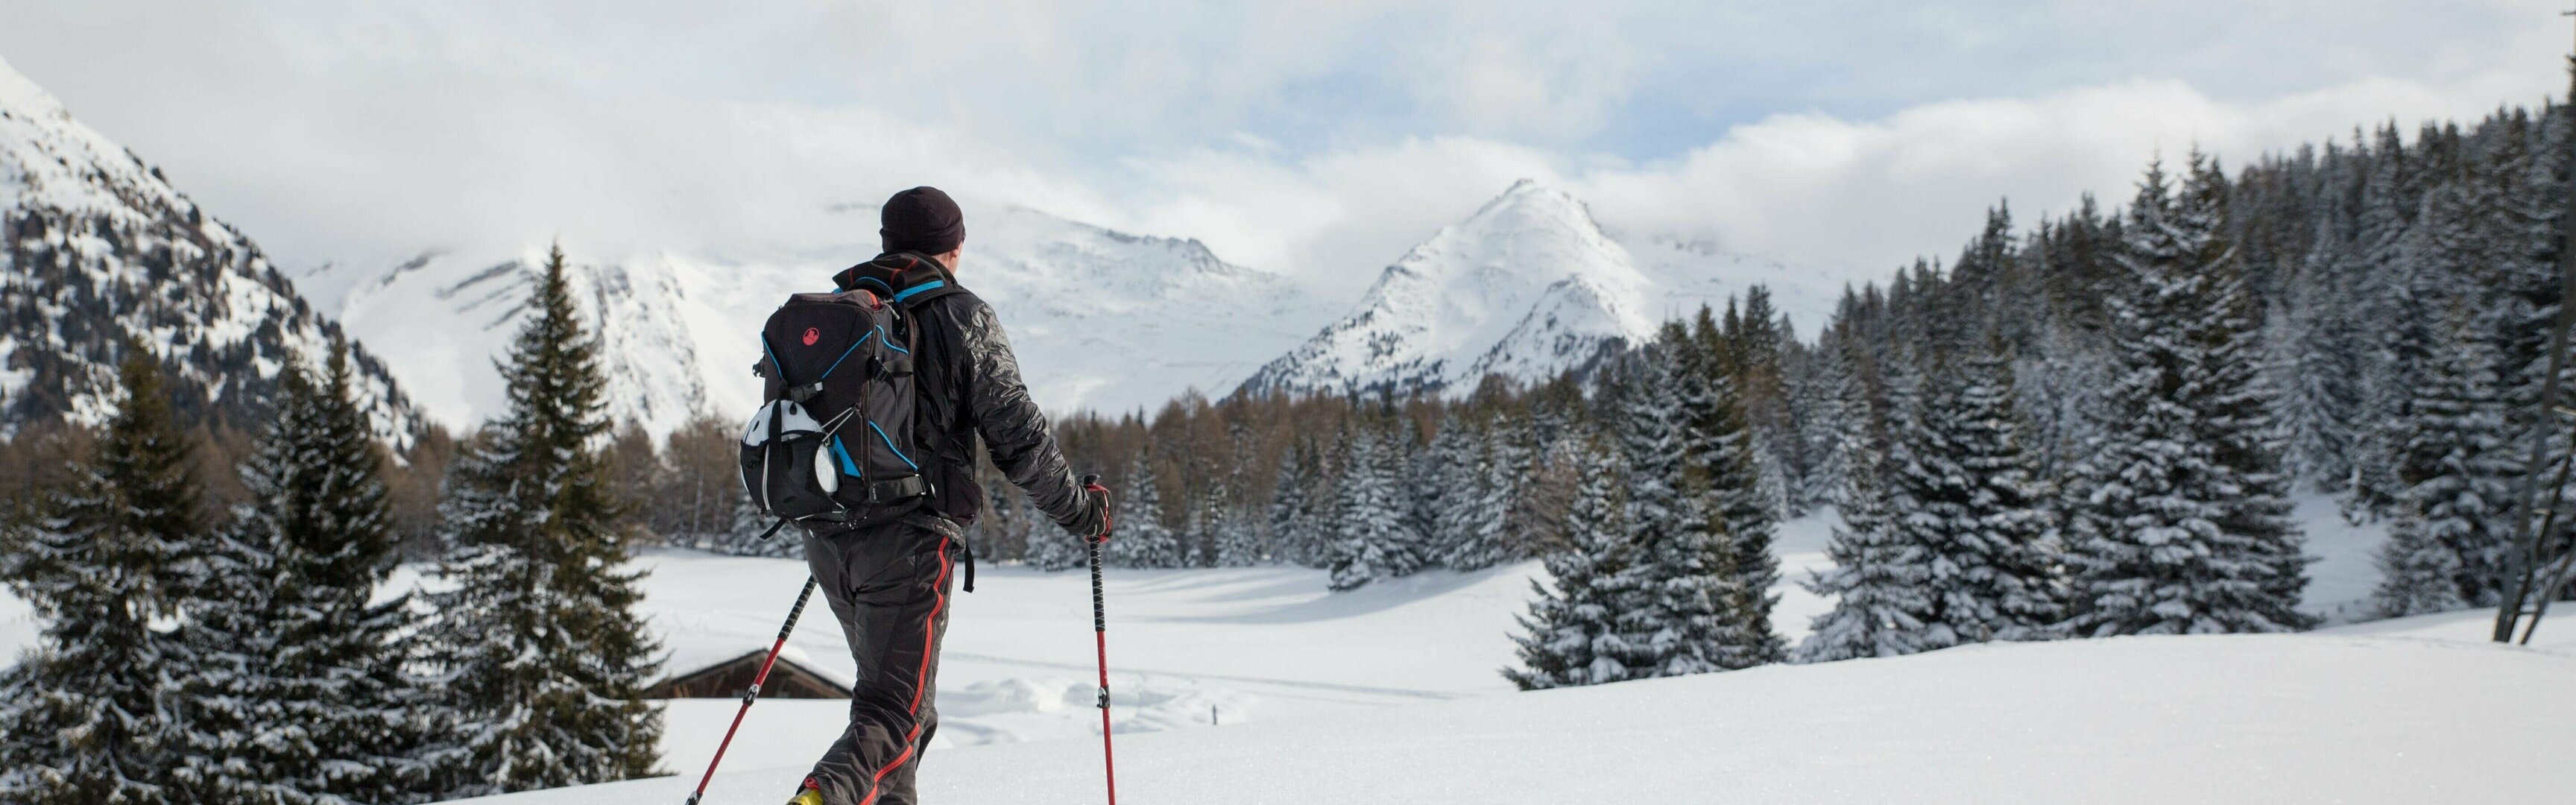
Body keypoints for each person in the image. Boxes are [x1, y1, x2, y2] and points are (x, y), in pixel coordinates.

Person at [786, 186, 1112, 805]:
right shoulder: (962, 315)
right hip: (909, 545)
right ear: (955, 249)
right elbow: (1020, 440)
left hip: (828, 540)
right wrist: (1083, 512)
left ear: (887, 244)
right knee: (894, 715)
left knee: (904, 708)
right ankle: (819, 799)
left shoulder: (841, 312)